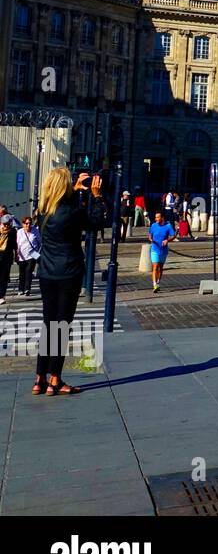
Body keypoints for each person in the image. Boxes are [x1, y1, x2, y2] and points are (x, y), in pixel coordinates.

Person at [33, 168, 108, 396]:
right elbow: (95, 222)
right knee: (61, 326)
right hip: (68, 273)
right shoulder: (72, 212)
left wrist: (75, 189)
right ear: (64, 187)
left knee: (49, 325)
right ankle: (55, 378)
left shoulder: (43, 210)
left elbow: (63, 206)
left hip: (47, 273)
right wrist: (96, 195)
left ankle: (39, 379)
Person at [148, 210, 177, 293]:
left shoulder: (168, 226)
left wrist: (167, 240)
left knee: (160, 268)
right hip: (154, 249)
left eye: (157, 217)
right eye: (155, 217)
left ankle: (158, 282)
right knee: (155, 266)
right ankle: (154, 284)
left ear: (162, 218)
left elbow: (173, 235)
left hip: (163, 250)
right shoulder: (153, 225)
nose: (156, 219)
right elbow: (150, 235)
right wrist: (151, 240)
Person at [16, 216, 40, 297]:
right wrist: (16, 254)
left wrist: (38, 253)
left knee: (29, 271)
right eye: (26, 223)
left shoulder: (35, 231)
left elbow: (40, 242)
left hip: (32, 254)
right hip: (21, 255)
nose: (28, 225)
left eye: (30, 223)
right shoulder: (19, 232)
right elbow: (17, 244)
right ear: (23, 224)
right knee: (22, 273)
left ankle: (27, 289)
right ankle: (20, 289)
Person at [0, 204, 15, 304]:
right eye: (4, 224)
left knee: (4, 277)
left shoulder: (13, 232)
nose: (5, 226)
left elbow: (15, 245)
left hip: (7, 257)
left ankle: (1, 296)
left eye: (7, 224)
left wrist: (18, 255)